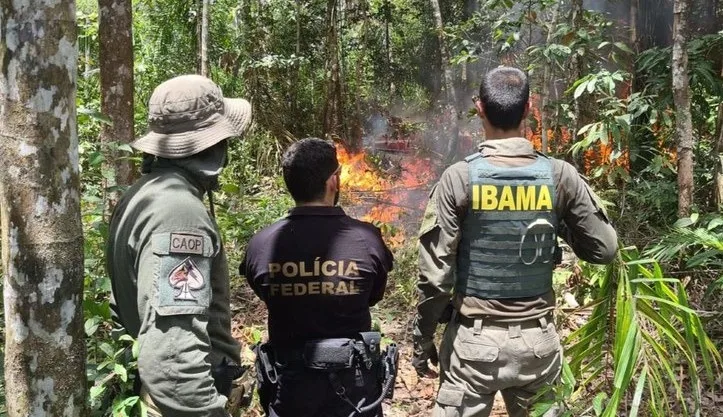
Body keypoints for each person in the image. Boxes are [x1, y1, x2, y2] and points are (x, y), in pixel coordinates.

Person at [411, 66, 618, 417]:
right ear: (528, 109)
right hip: (538, 344)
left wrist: (423, 339)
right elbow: (604, 248)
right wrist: (557, 220)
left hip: (473, 346)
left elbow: (436, 278)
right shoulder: (559, 175)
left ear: (480, 108)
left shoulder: (458, 178)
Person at [106, 74, 252, 417]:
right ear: (212, 145)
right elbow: (172, 357)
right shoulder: (179, 213)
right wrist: (209, 411)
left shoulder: (142, 194)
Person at [240, 138, 395, 417]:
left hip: (289, 388)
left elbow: (265, 294)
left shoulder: (261, 244)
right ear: (334, 180)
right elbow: (373, 295)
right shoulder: (367, 240)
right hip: (354, 389)